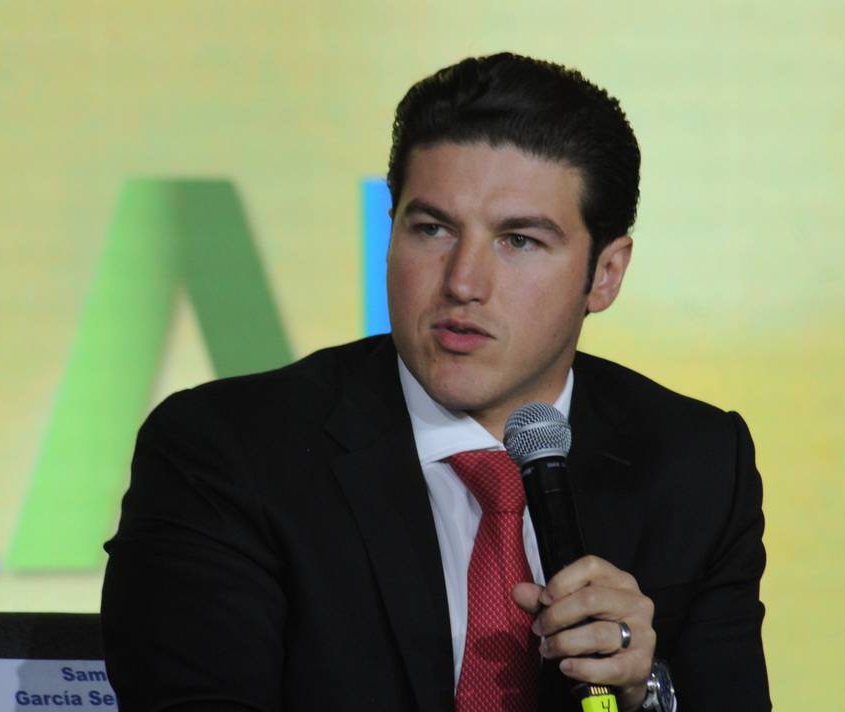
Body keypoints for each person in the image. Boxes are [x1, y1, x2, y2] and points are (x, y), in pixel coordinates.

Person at [102, 52, 770, 711]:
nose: (463, 283)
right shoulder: (228, 454)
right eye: (432, 229)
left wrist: (642, 696)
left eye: (519, 241)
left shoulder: (697, 465)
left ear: (606, 274)